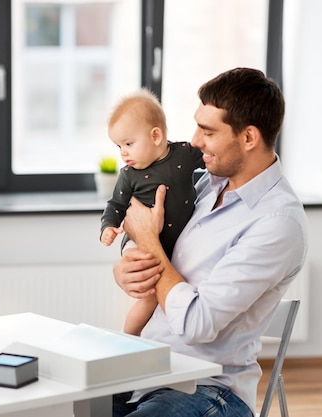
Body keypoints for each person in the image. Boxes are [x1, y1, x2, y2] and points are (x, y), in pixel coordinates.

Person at [112, 67, 308, 417]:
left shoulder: (277, 223)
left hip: (210, 390)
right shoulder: (203, 185)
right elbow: (152, 246)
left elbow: (195, 324)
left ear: (248, 137)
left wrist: (150, 245)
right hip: (147, 370)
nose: (195, 141)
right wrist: (128, 267)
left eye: (208, 131)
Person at [100, 88, 204, 336]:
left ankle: (147, 341)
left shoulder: (184, 155)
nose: (123, 152)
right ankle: (129, 339)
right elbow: (115, 205)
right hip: (137, 241)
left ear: (155, 135)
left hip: (169, 242)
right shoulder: (128, 175)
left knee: (167, 292)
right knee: (148, 298)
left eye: (128, 143)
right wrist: (108, 226)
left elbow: (213, 156)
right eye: (118, 146)